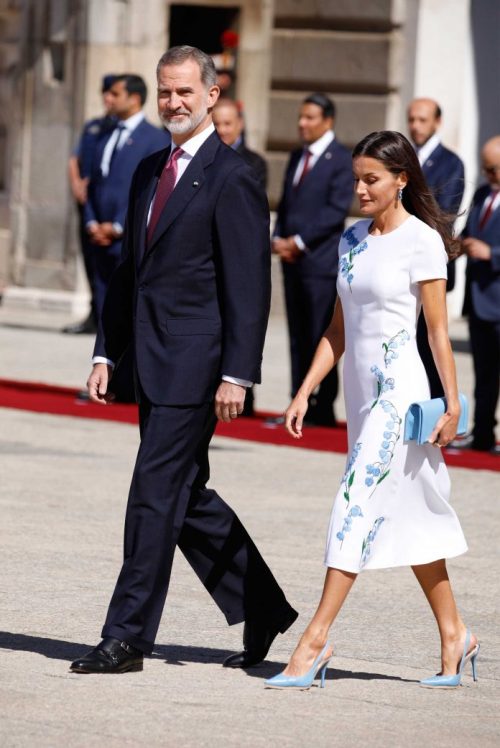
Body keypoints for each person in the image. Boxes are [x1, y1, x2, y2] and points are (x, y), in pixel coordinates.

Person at [70, 46, 297, 675]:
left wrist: (237, 372)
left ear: (212, 96)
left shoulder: (234, 175)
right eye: (166, 93)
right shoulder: (149, 169)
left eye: (185, 93)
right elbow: (127, 275)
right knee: (185, 495)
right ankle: (265, 606)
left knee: (151, 491)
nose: (174, 102)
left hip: (197, 364)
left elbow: (248, 283)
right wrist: (105, 351)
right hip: (147, 358)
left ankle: (126, 637)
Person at [264, 131, 478, 691]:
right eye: (357, 177)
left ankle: (313, 641)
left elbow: (436, 333)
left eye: (371, 179)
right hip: (361, 398)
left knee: (354, 502)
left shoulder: (423, 242)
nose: (359, 188)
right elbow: (337, 328)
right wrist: (306, 390)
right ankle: (455, 633)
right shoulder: (352, 238)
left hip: (398, 396)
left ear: (401, 179)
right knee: (409, 516)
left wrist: (453, 404)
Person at [272, 93, 352, 427]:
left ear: (328, 121)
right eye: (301, 117)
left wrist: (300, 242)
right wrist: (279, 238)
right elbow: (287, 203)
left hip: (320, 264)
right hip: (292, 262)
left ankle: (322, 407)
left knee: (324, 334)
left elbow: (335, 211)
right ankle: (297, 398)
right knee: (297, 335)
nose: (302, 123)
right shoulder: (296, 156)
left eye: (310, 118)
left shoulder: (341, 159)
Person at [83, 74, 170, 323]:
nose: (107, 98)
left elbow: (150, 190)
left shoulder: (155, 140)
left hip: (128, 238)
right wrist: (92, 223)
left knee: (125, 311)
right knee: (103, 306)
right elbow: (94, 182)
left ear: (133, 99)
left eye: (115, 94)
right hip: (98, 236)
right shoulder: (103, 133)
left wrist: (119, 225)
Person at [213, 96, 268, 416]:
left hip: (239, 253)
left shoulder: (252, 163)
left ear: (240, 125)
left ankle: (244, 390)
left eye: (228, 124)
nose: (222, 130)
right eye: (217, 123)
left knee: (244, 319)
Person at [407, 98, 465, 397]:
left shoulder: (450, 162)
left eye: (422, 120)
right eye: (412, 119)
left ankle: (436, 407)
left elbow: (443, 214)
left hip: (429, 265)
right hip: (401, 269)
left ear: (437, 122)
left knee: (432, 342)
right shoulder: (402, 160)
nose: (416, 126)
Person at [451, 136, 500, 455]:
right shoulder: (483, 193)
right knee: (484, 374)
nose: (487, 175)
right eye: (484, 169)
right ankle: (482, 432)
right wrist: (460, 245)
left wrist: (493, 253)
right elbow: (469, 232)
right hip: (480, 299)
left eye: (493, 169)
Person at [63, 74, 117, 335]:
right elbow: (75, 158)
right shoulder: (93, 126)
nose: (108, 98)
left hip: (110, 209)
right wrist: (76, 183)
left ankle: (106, 316)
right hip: (88, 206)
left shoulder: (120, 131)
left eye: (113, 93)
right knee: (90, 260)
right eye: (105, 93)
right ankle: (94, 313)